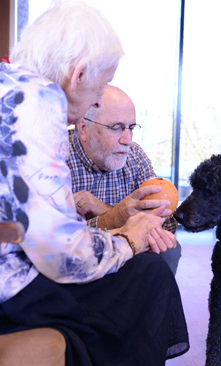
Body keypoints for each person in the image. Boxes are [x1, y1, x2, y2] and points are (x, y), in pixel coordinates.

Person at [0, 2, 189, 366]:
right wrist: (129, 240)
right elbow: (63, 256)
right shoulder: (33, 102)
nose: (96, 99)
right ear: (78, 72)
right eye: (101, 87)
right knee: (148, 275)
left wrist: (114, 236)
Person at [67, 85, 181, 276]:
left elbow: (168, 222)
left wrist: (107, 210)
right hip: (75, 261)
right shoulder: (56, 158)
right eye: (117, 128)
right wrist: (115, 222)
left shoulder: (135, 157)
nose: (128, 140)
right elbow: (53, 242)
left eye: (131, 128)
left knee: (169, 249)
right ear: (84, 129)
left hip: (128, 253)